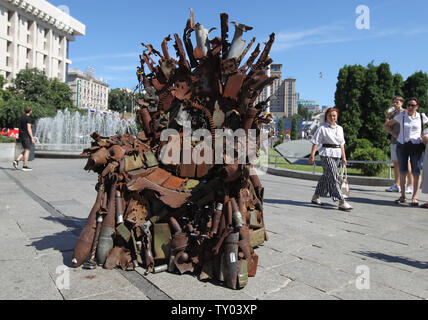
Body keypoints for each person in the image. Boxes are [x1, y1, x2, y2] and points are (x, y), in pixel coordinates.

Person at [383, 97, 428, 206]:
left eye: (412, 105)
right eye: (408, 105)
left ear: (417, 106)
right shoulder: (402, 116)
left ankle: (415, 197)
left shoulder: (421, 117)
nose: (410, 107)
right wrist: (395, 135)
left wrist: (425, 135)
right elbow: (386, 125)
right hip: (402, 146)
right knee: (403, 171)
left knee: (416, 171)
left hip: (417, 146)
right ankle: (402, 196)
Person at [308, 107, 353, 211]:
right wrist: (312, 155)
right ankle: (341, 200)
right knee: (333, 175)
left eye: (334, 116)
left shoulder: (340, 128)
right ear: (326, 117)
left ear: (337, 117)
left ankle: (315, 197)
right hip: (326, 153)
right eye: (330, 116)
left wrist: (344, 157)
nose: (332, 118)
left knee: (326, 176)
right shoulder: (322, 128)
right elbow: (315, 142)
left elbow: (342, 144)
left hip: (337, 154)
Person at [384, 96, 414, 194]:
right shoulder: (393, 114)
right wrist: (387, 116)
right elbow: (387, 126)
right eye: (394, 102)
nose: (395, 104)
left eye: (397, 102)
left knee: (407, 163)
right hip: (394, 141)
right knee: (396, 163)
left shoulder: (405, 112)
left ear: (402, 103)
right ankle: (396, 185)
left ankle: (410, 185)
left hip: (404, 141)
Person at [12, 106, 34, 171]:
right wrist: (32, 137)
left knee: (26, 149)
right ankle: (24, 166)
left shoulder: (21, 117)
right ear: (30, 111)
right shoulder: (28, 118)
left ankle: (17, 160)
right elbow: (29, 128)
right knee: (27, 150)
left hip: (21, 135)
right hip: (26, 136)